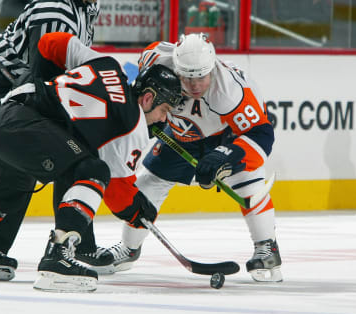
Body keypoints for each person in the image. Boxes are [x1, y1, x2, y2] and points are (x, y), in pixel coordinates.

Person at [0, 31, 182, 292]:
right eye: (165, 110)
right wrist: (137, 211)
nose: (163, 119)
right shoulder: (131, 125)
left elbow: (52, 42)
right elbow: (116, 192)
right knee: (92, 169)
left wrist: (45, 82)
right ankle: (58, 258)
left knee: (4, 198)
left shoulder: (107, 65)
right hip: (23, 124)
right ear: (148, 98)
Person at [107, 33, 283, 282]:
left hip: (225, 135)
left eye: (201, 76)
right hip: (181, 133)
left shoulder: (231, 90)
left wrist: (225, 155)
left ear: (212, 66)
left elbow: (261, 134)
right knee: (147, 185)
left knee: (249, 184)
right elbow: (139, 91)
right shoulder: (155, 58)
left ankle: (267, 248)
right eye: (188, 77)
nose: (195, 85)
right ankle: (128, 248)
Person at [0, 0, 106, 279]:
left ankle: (76, 243)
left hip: (26, 81)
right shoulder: (56, 8)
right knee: (39, 161)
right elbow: (46, 73)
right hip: (2, 80)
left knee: (69, 152)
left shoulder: (88, 6)